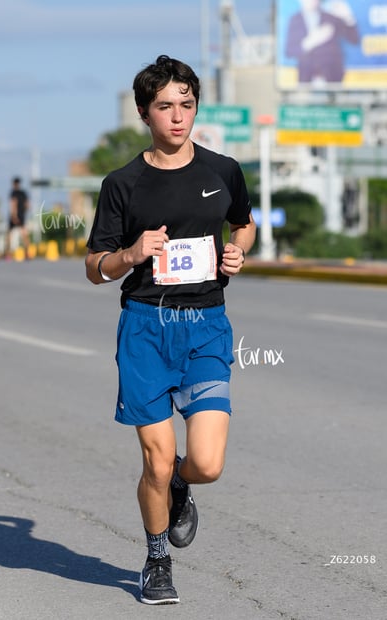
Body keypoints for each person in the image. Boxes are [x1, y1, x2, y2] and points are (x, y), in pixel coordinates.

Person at [85, 55, 256, 605]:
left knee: (203, 463)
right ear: (144, 112)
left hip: (206, 326)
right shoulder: (123, 184)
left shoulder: (222, 170)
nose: (178, 117)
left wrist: (237, 253)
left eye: (187, 104)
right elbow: (95, 267)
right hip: (145, 330)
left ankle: (181, 486)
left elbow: (245, 225)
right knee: (155, 460)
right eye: (165, 107)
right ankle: (157, 559)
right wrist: (130, 253)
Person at [285, 0, 359, 86]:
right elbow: (289, 51)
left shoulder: (330, 18)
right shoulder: (295, 20)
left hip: (332, 79)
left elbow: (354, 39)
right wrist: (310, 42)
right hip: (306, 81)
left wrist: (348, 17)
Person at [5, 176, 30, 259]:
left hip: (15, 216)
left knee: (9, 235)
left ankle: (8, 254)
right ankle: (27, 253)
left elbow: (13, 204)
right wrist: (23, 213)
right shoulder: (23, 193)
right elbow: (28, 205)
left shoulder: (13, 193)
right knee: (24, 234)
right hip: (22, 216)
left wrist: (14, 216)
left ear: (14, 184)